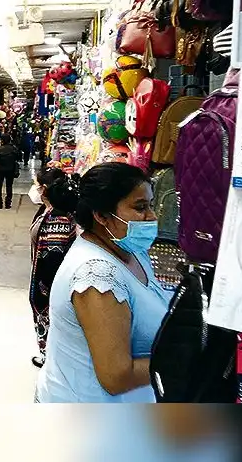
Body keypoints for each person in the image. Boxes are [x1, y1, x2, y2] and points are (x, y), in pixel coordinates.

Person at [36, 163, 173, 402]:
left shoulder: (131, 250)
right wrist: (184, 359)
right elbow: (117, 377)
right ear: (101, 216)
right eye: (140, 207)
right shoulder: (96, 277)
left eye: (150, 205)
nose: (151, 217)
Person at [28, 168, 78, 368]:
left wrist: (45, 287)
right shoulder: (49, 211)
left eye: (37, 185)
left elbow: (52, 258)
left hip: (48, 284)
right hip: (44, 280)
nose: (35, 190)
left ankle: (49, 358)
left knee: (50, 320)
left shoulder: (58, 218)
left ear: (45, 189)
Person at [0, 136, 21, 209]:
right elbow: (18, 157)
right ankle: (8, 203)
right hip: (10, 169)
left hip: (0, 169)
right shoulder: (13, 149)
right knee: (9, 186)